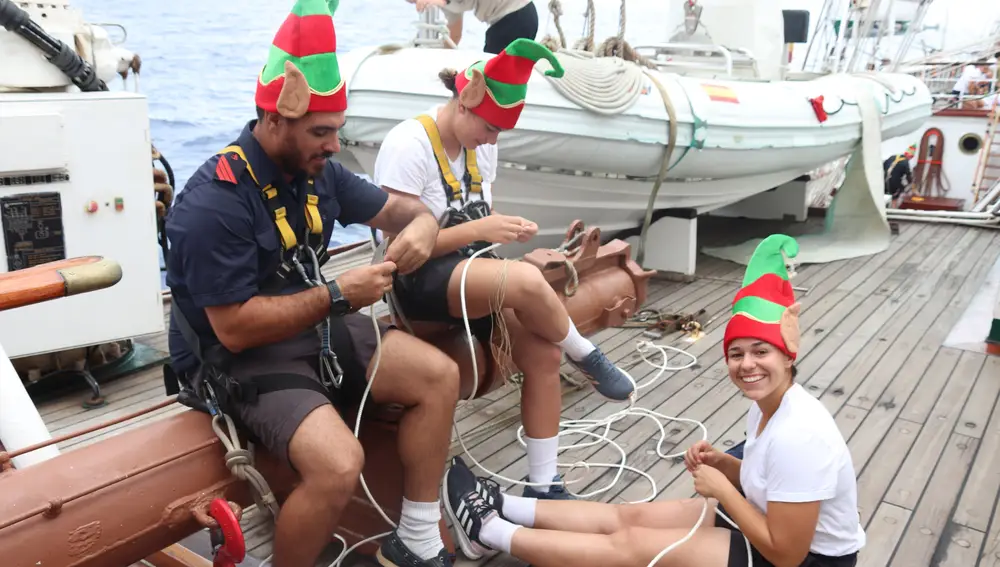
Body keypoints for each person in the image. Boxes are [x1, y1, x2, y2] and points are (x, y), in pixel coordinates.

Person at [164, 1, 460, 566]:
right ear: (274, 120)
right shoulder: (214, 202)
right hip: (235, 356)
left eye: (337, 131)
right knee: (338, 464)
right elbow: (234, 330)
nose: (333, 145)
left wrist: (424, 225)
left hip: (310, 325)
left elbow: (401, 210)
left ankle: (417, 538)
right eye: (321, 132)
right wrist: (341, 294)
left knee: (439, 376)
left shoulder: (318, 170)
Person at [442, 234, 868, 567]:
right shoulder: (770, 405)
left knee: (631, 546)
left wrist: (724, 489)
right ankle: (503, 505)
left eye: (761, 352)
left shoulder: (799, 435)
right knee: (628, 519)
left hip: (804, 560)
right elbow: (773, 483)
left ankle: (488, 531)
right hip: (767, 521)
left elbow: (787, 553)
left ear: (788, 356)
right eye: (736, 353)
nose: (747, 365)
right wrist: (726, 465)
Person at [371, 37, 636, 522]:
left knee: (543, 354)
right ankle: (588, 356)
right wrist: (481, 230)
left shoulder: (481, 149)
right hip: (419, 284)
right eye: (490, 127)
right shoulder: (409, 146)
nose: (493, 140)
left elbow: (480, 229)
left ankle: (544, 486)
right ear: (464, 102)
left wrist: (500, 230)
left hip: (469, 274)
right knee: (528, 281)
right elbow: (399, 253)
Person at [407, 0, 539, 54]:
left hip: (516, 15)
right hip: (503, 23)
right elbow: (454, 36)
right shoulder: (442, 4)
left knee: (492, 79)